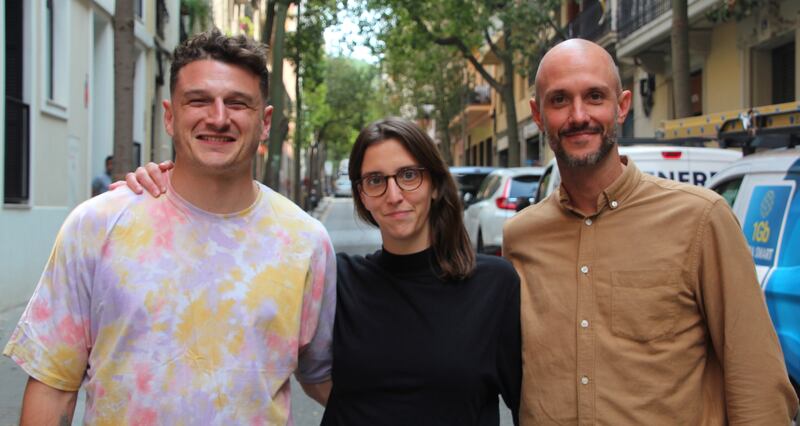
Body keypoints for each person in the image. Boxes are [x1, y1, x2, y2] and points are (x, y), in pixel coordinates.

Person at [3, 29, 335, 425]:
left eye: (237, 103)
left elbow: (323, 376)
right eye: (198, 100)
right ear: (169, 116)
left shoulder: (305, 242)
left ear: (264, 122)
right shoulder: (97, 225)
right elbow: (53, 387)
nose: (218, 117)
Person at [124, 117, 522, 425]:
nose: (394, 195)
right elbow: (228, 260)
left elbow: (531, 405)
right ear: (362, 195)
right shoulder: (333, 278)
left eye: (408, 175)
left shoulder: (494, 286)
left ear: (434, 184)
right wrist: (168, 189)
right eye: (375, 181)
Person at [502, 38, 798, 425]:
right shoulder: (521, 238)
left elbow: (757, 381)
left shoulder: (702, 219)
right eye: (559, 100)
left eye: (594, 96)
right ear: (538, 116)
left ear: (622, 106)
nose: (578, 115)